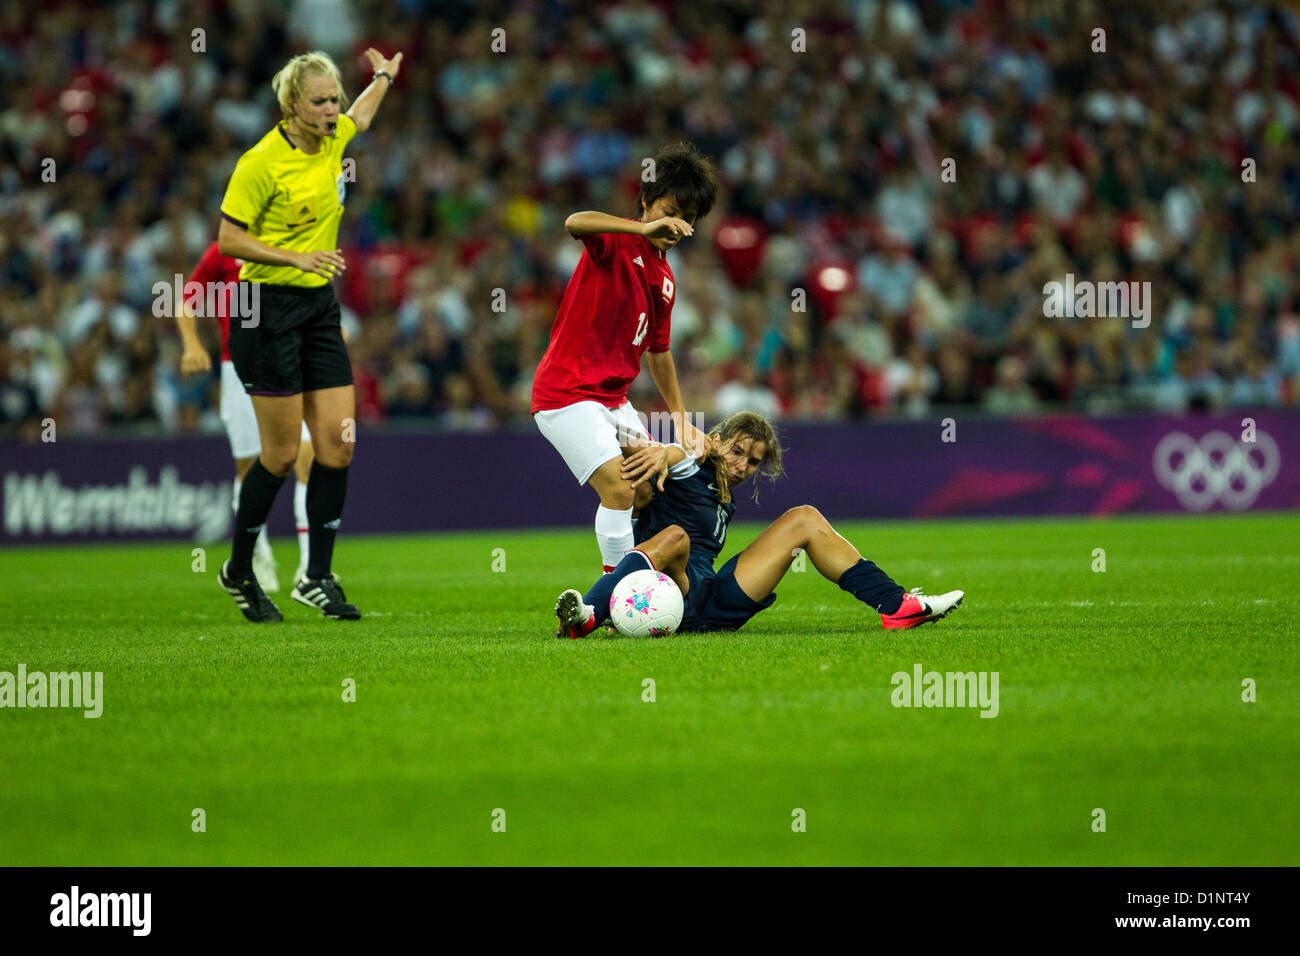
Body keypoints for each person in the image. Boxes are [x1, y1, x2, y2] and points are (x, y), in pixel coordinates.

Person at [215, 47, 402, 621]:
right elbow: (228, 239)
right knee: (275, 456)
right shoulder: (260, 162)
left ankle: (315, 575)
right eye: (320, 101)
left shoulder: (334, 136)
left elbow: (363, 117)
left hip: (317, 305)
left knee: (338, 444)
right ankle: (239, 568)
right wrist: (294, 257)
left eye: (334, 99)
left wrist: (385, 76)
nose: (332, 109)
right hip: (263, 307)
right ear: (291, 104)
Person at [554, 411, 964, 637]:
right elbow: (667, 461)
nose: (741, 466)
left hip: (709, 600)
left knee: (804, 518)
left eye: (753, 462)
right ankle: (588, 614)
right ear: (714, 440)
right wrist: (663, 453)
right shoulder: (688, 466)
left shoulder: (722, 496)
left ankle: (896, 605)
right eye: (736, 451)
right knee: (676, 536)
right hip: (667, 592)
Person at [531, 142, 717, 574]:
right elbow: (574, 221)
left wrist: (681, 418)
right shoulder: (614, 240)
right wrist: (641, 231)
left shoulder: (666, 278)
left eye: (687, 219)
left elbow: (660, 351)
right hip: (566, 394)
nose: (676, 225)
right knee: (620, 487)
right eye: (670, 211)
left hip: (613, 399)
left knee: (649, 486)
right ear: (647, 202)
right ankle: (615, 598)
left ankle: (644, 578)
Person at [175, 240, 320, 591]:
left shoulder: (291, 243)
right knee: (251, 466)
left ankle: (310, 570)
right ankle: (259, 556)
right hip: (237, 365)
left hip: (289, 360)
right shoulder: (221, 252)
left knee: (306, 458)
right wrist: (192, 345)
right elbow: (186, 301)